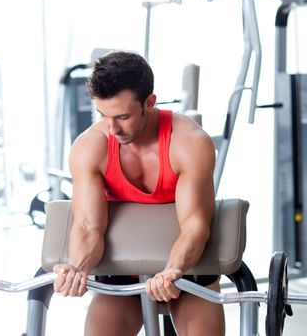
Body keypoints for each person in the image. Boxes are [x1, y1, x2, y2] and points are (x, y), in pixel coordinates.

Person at [53, 51, 224, 336]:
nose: (112, 128)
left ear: (149, 103)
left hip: (188, 273)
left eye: (122, 116)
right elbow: (87, 227)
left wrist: (172, 271)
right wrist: (77, 268)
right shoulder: (89, 148)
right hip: (121, 277)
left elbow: (195, 227)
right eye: (103, 115)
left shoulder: (190, 143)